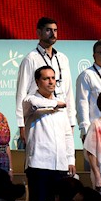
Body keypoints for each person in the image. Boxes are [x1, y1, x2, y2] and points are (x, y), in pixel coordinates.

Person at [15, 17, 74, 151]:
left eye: (55, 30)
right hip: (39, 116)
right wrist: (21, 125)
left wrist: (71, 122)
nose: (53, 34)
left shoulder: (63, 59)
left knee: (62, 154)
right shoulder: (30, 59)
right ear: (39, 33)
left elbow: (68, 92)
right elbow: (21, 93)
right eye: (48, 30)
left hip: (61, 115)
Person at [22, 65, 75, 201]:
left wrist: (70, 158)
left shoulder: (61, 104)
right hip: (39, 164)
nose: (51, 82)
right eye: (46, 79)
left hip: (60, 165)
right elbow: (35, 103)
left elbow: (67, 134)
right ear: (37, 82)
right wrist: (56, 104)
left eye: (53, 78)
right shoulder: (29, 100)